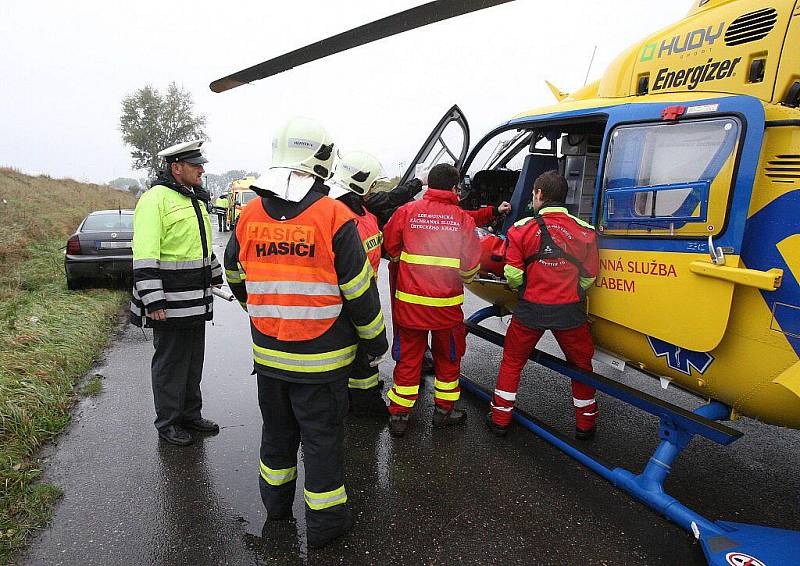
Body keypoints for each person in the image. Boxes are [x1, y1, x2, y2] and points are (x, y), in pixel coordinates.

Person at [223, 117, 388, 548]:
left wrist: (257, 309)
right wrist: (375, 342)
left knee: (276, 436)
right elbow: (359, 292)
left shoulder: (249, 212)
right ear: (322, 158)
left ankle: (276, 510)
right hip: (323, 361)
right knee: (322, 442)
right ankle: (326, 527)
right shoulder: (334, 215)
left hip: (269, 355)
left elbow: (233, 272)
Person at [486, 170, 600, 440]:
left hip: (530, 310)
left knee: (513, 362)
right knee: (582, 366)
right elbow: (590, 276)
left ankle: (500, 419)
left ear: (538, 194)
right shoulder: (585, 231)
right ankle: (586, 425)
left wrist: (526, 288)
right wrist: (569, 290)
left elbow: (513, 275)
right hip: (570, 312)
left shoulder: (521, 229)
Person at [130, 139, 223, 446]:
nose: (201, 169)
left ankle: (189, 415)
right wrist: (153, 299)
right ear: (176, 167)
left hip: (195, 302)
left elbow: (203, 247)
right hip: (168, 304)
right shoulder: (155, 199)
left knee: (193, 361)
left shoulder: (194, 198)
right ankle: (168, 422)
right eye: (195, 164)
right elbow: (144, 253)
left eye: (201, 164)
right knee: (170, 364)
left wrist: (216, 276)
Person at [383, 163, 481, 437]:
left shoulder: (406, 212)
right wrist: (463, 277)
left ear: (428, 186)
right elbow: (472, 263)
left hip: (410, 307)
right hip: (446, 310)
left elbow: (390, 248)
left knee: (409, 358)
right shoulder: (462, 219)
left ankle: (399, 415)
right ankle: (444, 412)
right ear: (454, 188)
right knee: (448, 358)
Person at [327, 151, 390, 417]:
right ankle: (359, 404)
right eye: (372, 185)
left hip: (365, 293)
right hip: (344, 299)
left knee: (364, 357)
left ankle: (363, 400)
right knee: (353, 354)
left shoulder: (366, 214)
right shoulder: (337, 216)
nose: (374, 190)